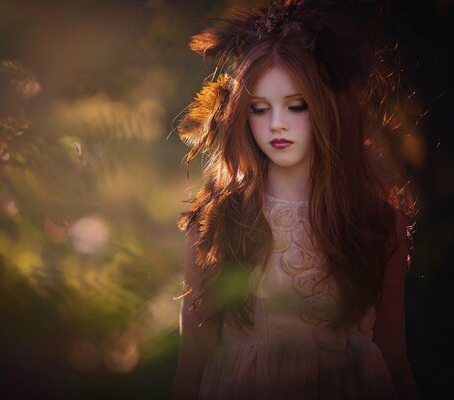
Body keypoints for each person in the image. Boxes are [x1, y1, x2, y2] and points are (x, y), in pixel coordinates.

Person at [172, 1, 421, 399]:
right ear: (241, 115)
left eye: (296, 105)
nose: (277, 124)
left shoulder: (376, 221)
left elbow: (394, 357)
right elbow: (191, 365)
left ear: (328, 106)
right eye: (259, 109)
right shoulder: (220, 219)